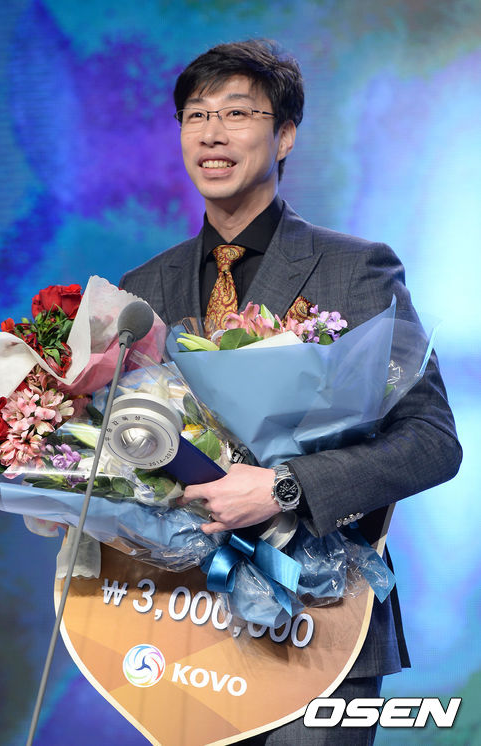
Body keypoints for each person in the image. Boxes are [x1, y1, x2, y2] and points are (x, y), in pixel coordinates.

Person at [119, 39, 462, 745]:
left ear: (284, 136)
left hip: (319, 619)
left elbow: (433, 443)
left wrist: (285, 488)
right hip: (180, 622)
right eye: (196, 115)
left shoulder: (354, 269)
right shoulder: (140, 289)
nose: (212, 133)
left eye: (237, 112)